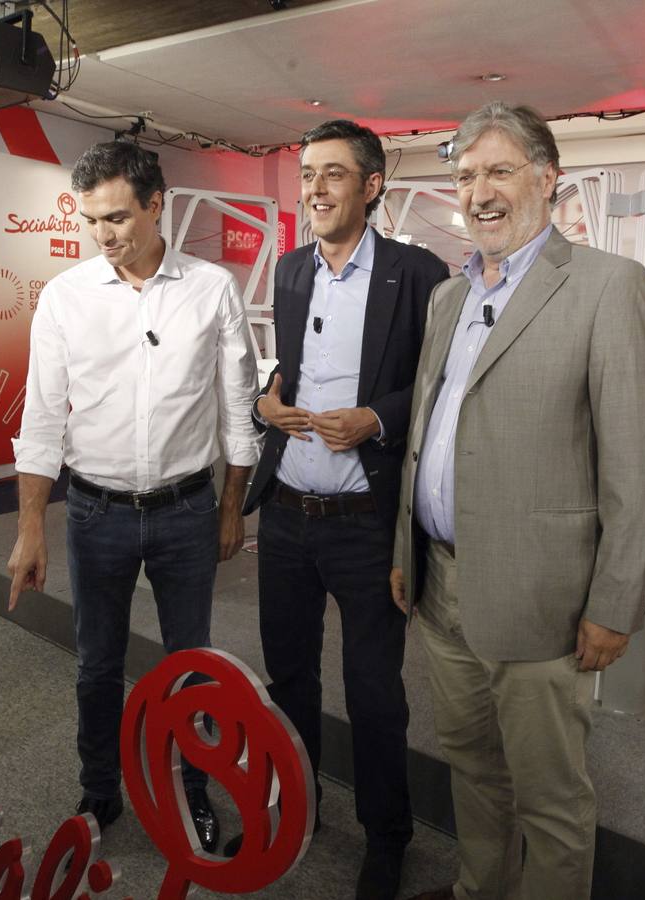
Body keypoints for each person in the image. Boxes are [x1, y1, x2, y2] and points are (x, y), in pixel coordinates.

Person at [392, 102, 645, 900]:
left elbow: (633, 463)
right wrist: (404, 554)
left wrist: (615, 603)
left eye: (499, 171)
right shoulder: (448, 297)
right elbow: (425, 438)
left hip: (541, 600)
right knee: (473, 769)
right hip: (442, 589)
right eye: (466, 173)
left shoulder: (605, 287)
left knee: (549, 798)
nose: (478, 191)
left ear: (547, 182)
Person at [7, 141, 261, 852]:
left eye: (117, 216)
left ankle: (193, 793)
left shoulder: (210, 289)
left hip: (185, 510)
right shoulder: (64, 298)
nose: (104, 234)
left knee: (192, 665)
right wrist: (31, 527)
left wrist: (232, 505)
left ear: (157, 204)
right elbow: (41, 418)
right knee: (96, 665)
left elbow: (237, 407)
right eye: (92, 220)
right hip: (95, 514)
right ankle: (99, 794)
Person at [238, 119, 449, 899]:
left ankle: (386, 836)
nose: (314, 189)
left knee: (373, 692)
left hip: (366, 519)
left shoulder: (419, 272)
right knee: (287, 676)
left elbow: (435, 386)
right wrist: (268, 402)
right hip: (288, 515)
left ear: (371, 186)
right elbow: (287, 372)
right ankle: (295, 807)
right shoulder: (291, 272)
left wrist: (376, 418)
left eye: (332, 174)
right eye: (305, 174)